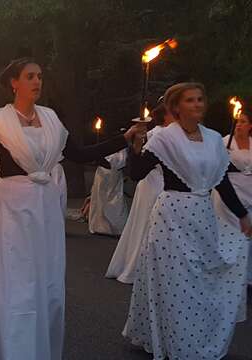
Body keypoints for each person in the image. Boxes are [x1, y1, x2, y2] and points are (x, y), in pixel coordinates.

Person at [0, 57, 145, 360]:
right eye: (30, 76)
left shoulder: (50, 118)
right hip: (10, 210)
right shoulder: (1, 120)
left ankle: (38, 349)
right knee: (16, 283)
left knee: (44, 282)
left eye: (39, 76)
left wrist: (122, 140)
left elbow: (79, 153)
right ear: (14, 83)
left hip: (45, 207)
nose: (37, 81)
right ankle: (11, 349)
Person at [122, 83, 252, 359]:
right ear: (175, 108)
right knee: (174, 282)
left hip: (203, 216)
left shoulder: (214, 139)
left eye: (200, 99)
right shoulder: (164, 139)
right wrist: (134, 144)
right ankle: (174, 341)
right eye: (190, 100)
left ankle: (192, 333)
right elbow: (136, 173)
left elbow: (221, 182)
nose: (197, 104)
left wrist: (242, 214)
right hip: (171, 218)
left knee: (197, 281)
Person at [106, 102, 174, 283]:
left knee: (141, 222)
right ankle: (142, 265)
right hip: (155, 182)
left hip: (150, 182)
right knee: (148, 223)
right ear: (166, 116)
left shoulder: (155, 133)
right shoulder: (161, 134)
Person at [213, 108, 252, 287]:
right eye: (238, 121)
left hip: (249, 191)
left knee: (247, 234)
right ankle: (226, 270)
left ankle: (245, 275)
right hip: (229, 191)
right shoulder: (224, 142)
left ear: (250, 126)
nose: (239, 125)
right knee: (230, 231)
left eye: (244, 121)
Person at [87, 149, 128, 235]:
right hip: (102, 171)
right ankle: (99, 225)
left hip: (113, 171)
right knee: (99, 198)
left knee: (113, 197)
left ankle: (114, 226)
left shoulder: (120, 148)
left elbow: (120, 161)